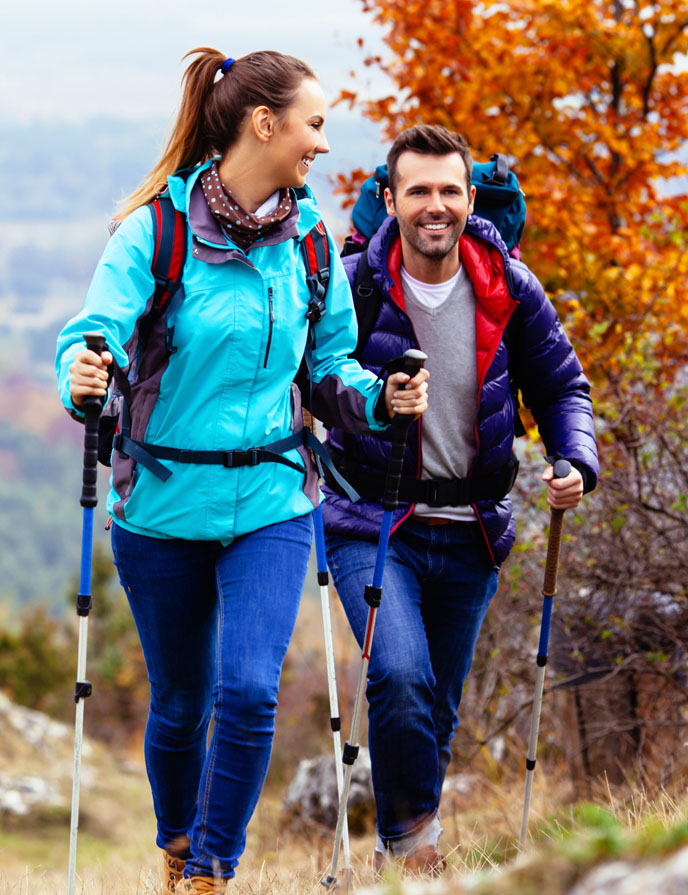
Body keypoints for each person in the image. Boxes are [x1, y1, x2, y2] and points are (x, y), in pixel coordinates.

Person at [55, 49, 428, 893]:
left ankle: (210, 875)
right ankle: (178, 842)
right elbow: (95, 335)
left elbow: (330, 365)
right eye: (315, 124)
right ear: (266, 124)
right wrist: (83, 371)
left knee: (251, 690)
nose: (323, 145)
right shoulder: (158, 231)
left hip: (271, 499)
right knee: (182, 701)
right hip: (159, 506)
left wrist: (381, 397)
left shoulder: (312, 241)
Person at [322, 124, 599, 873]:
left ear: (470, 198)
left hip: (473, 525)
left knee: (435, 707)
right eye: (418, 191)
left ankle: (398, 854)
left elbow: (562, 384)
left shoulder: (509, 283)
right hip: (372, 519)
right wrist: (373, 399)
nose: (434, 205)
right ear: (390, 200)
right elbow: (316, 383)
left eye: (449, 190)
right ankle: (417, 852)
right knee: (400, 673)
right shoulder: (355, 285)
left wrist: (577, 458)